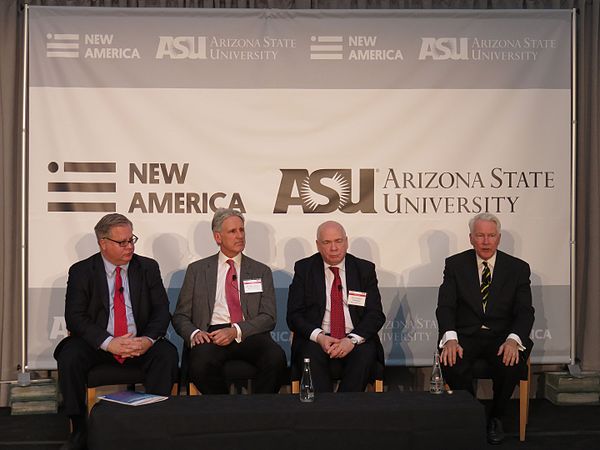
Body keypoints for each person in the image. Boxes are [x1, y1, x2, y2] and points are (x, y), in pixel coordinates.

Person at [54, 213, 179, 450]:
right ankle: (79, 427)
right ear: (103, 243)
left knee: (167, 354)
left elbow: (162, 310)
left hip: (138, 341)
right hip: (99, 345)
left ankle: (152, 424)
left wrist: (148, 340)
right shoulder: (82, 271)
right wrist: (108, 342)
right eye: (122, 242)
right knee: (70, 355)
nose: (129, 246)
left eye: (131, 240)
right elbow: (75, 317)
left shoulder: (147, 267)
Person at [436, 212, 535, 445]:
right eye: (480, 235)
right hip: (465, 335)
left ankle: (495, 417)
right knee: (451, 361)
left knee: (510, 362)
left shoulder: (518, 268)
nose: (486, 241)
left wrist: (513, 340)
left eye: (491, 235)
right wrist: (450, 338)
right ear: (471, 238)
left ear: (498, 238)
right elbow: (445, 306)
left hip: (502, 336)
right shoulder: (455, 265)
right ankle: (475, 414)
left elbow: (525, 311)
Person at [172, 208, 286, 394]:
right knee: (200, 364)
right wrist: (194, 334)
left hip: (249, 332)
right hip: (211, 334)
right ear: (218, 237)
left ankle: (259, 411)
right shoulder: (197, 271)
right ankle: (226, 411)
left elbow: (269, 316)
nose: (240, 236)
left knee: (275, 358)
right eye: (233, 231)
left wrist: (235, 331)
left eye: (241, 230)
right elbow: (180, 316)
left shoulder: (260, 270)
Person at [287, 220, 385, 392]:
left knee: (365, 354)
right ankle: (324, 410)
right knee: (310, 353)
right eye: (327, 242)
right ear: (318, 245)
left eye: (338, 241)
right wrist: (319, 337)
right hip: (318, 339)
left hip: (354, 338)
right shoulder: (305, 269)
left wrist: (351, 340)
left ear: (346, 242)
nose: (334, 248)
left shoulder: (364, 269)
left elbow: (375, 315)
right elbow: (294, 316)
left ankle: (344, 409)